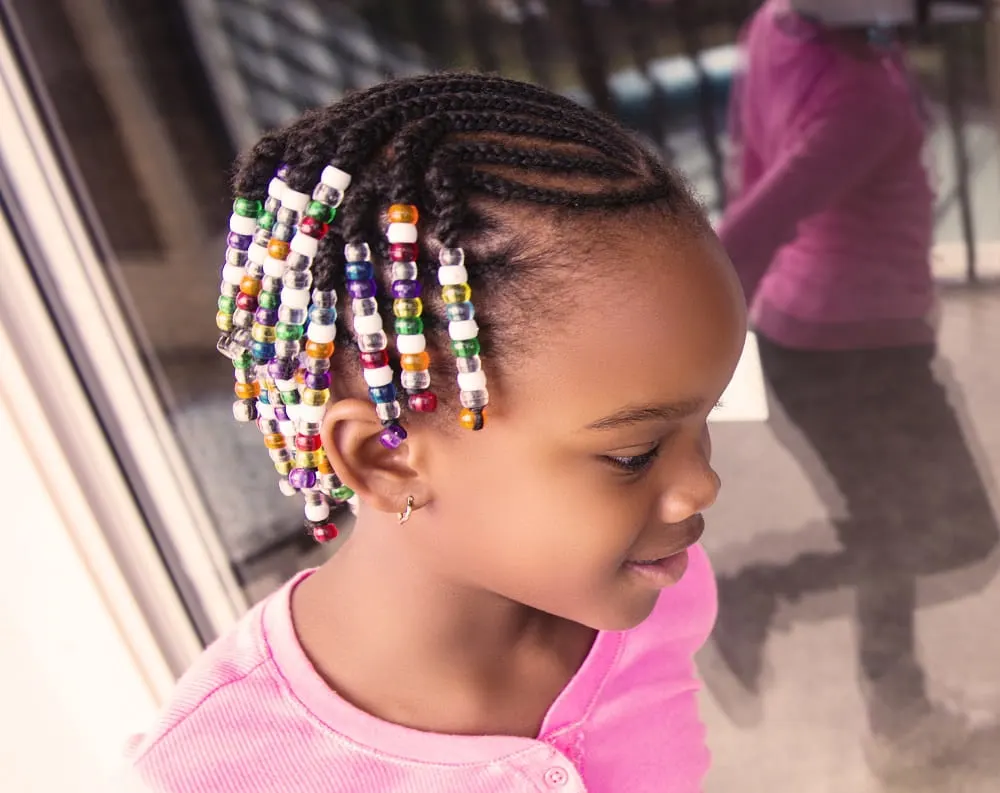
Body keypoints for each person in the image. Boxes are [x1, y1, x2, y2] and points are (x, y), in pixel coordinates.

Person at [120, 73, 746, 792]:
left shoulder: (654, 592)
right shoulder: (215, 773)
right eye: (634, 454)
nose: (703, 483)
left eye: (706, 417)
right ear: (383, 458)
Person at [716, 0, 998, 778]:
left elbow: (751, 173)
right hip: (860, 357)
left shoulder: (778, 24)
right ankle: (758, 591)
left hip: (812, 340)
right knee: (958, 532)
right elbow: (751, 228)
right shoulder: (864, 98)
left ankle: (901, 717)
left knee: (889, 529)